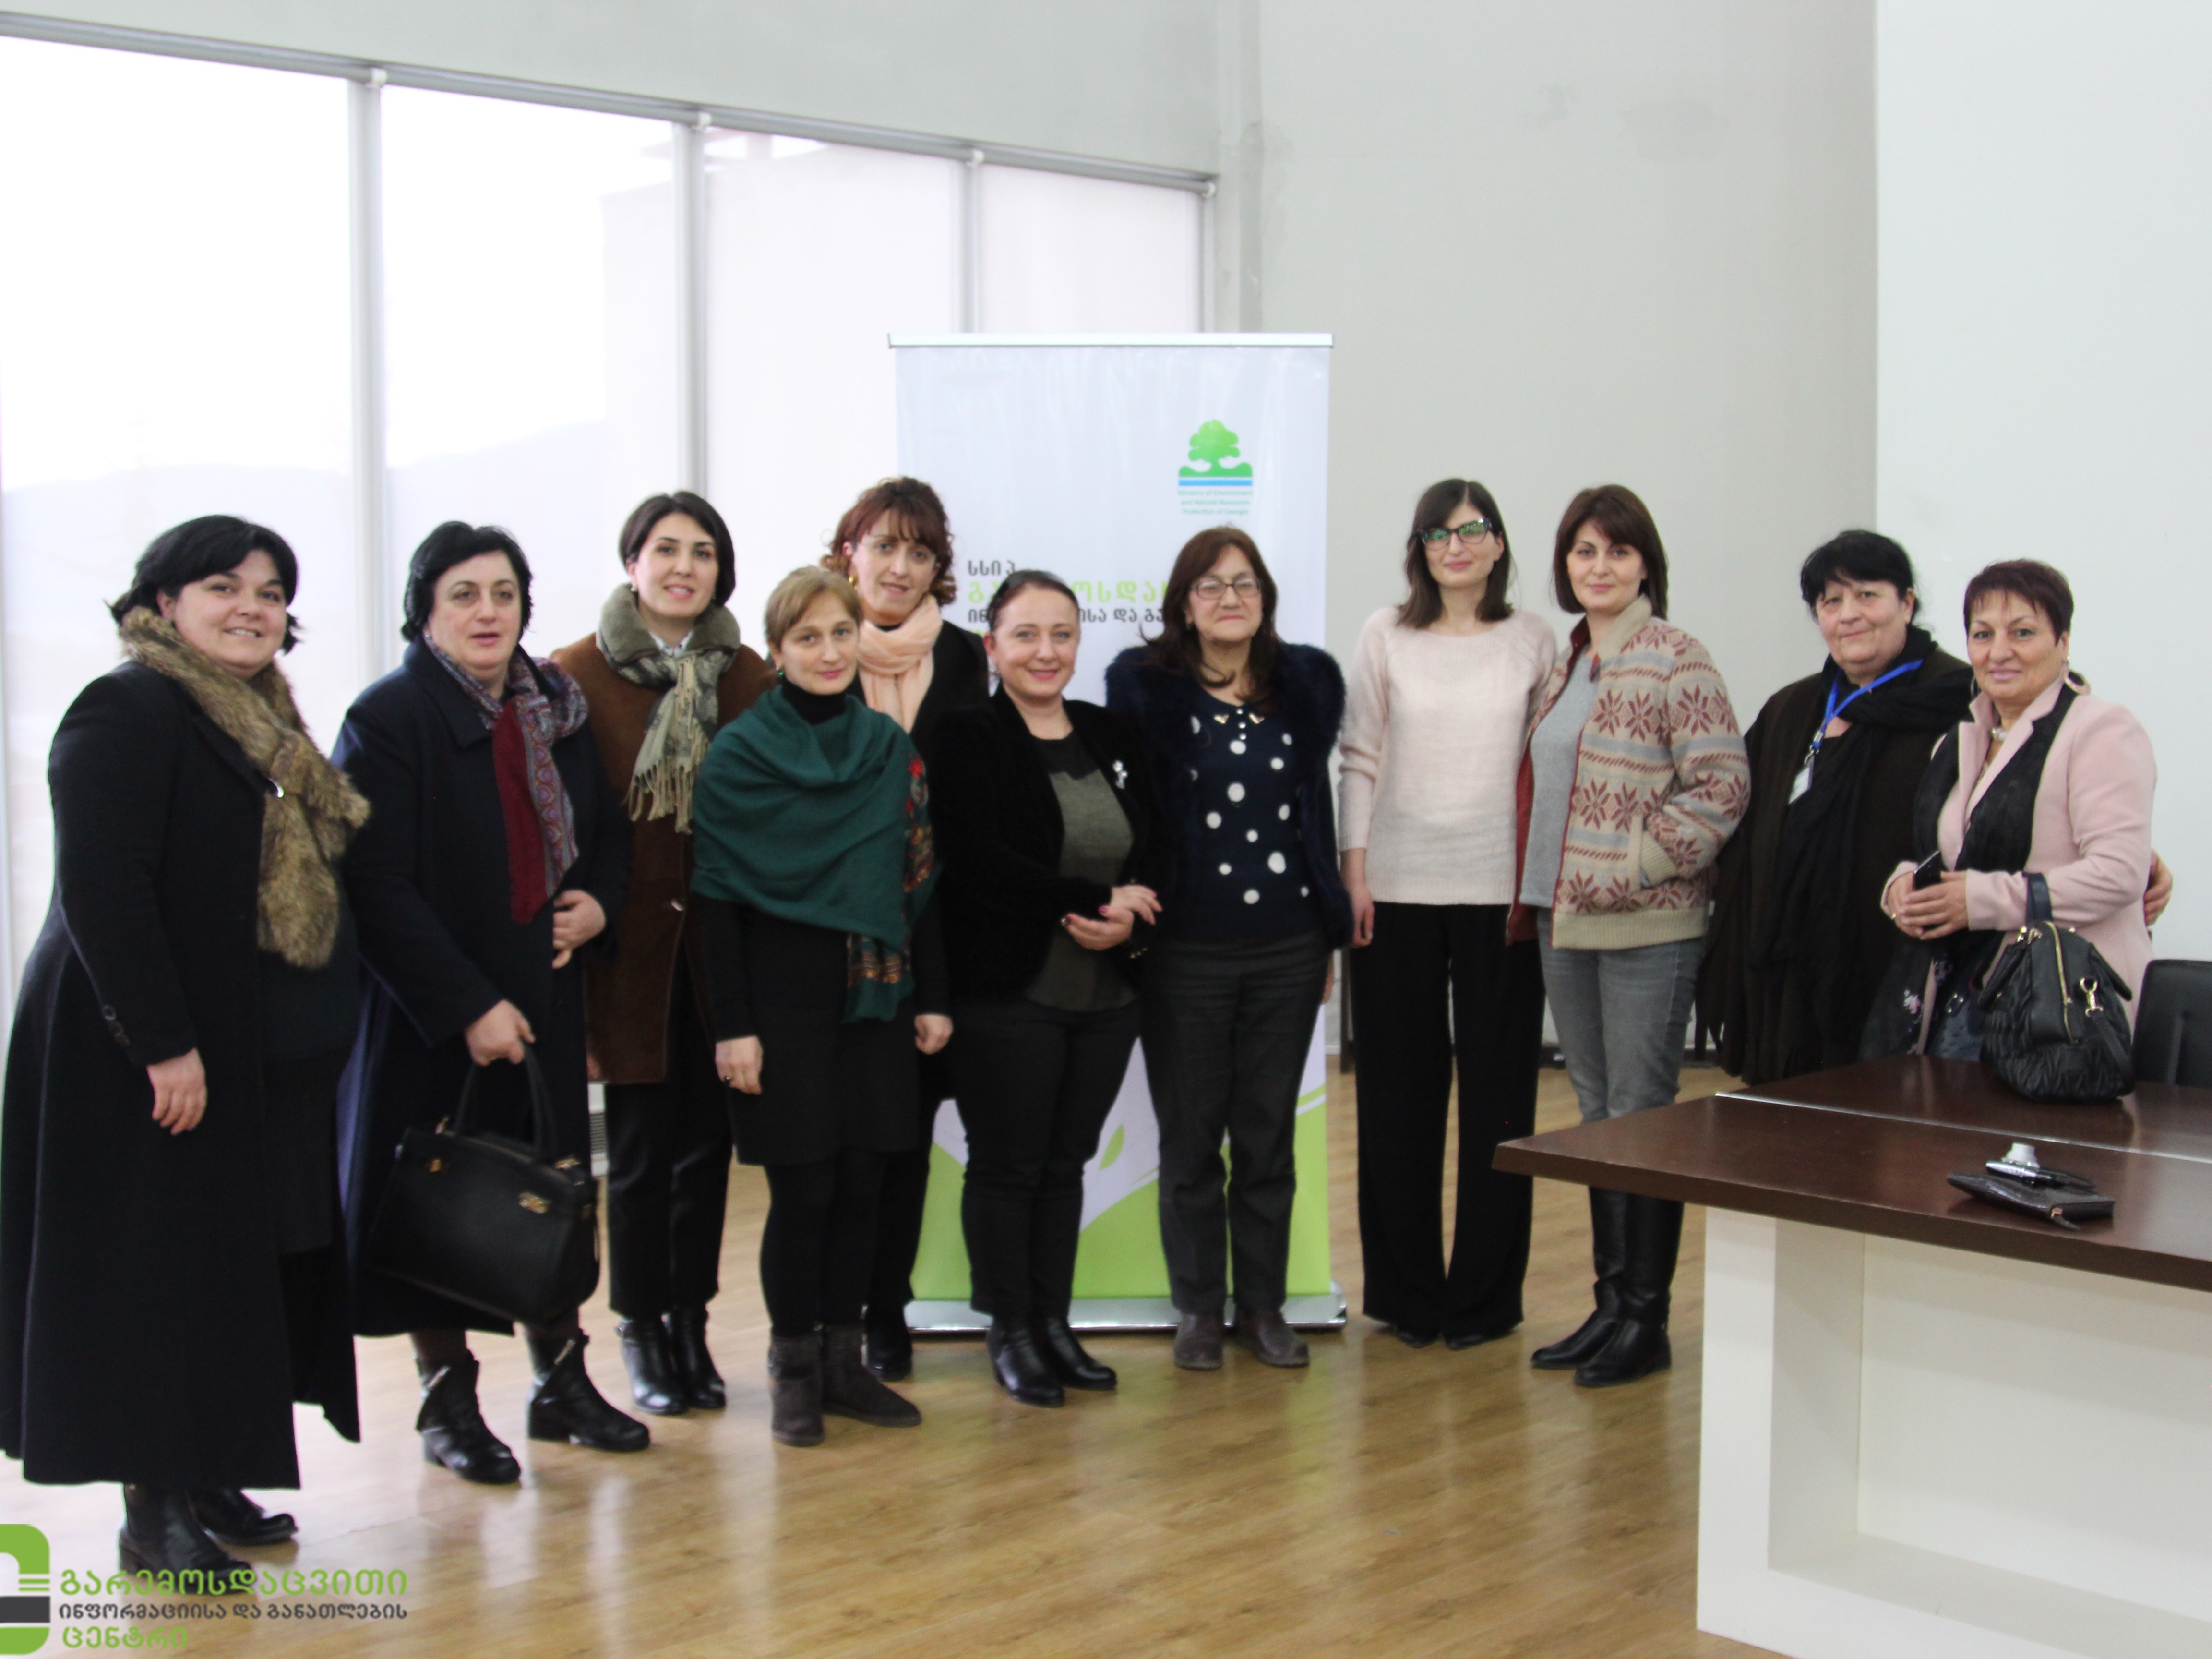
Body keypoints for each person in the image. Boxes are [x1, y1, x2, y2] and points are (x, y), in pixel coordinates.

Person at [0, 517, 362, 1582]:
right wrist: (163, 1046)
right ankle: (151, 1512)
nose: (252, 606)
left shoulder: (257, 719)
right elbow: (103, 890)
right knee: (152, 1278)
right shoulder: (127, 707)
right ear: (163, 603)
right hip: (135, 1045)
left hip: (236, 1045)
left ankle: (207, 1473)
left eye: (271, 591)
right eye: (223, 586)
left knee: (227, 1270)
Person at [336, 522, 642, 1485]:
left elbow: (606, 835)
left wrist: (599, 905)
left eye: (504, 593)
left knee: (547, 1198)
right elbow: (373, 883)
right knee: (438, 1206)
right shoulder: (389, 717)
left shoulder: (555, 706)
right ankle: (448, 1402)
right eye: (463, 594)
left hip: (543, 997)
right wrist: (468, 1004)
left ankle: (561, 1384)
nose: (487, 612)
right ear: (424, 611)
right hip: (431, 1016)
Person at [691, 566, 951, 1447]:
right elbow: (717, 902)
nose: (830, 652)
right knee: (803, 1193)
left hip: (877, 998)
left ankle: (846, 1365)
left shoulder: (888, 748)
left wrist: (932, 997)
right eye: (808, 637)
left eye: (842, 633)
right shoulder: (738, 755)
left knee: (863, 1188)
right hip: (781, 1006)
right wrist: (734, 1026)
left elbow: (920, 882)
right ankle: (793, 1371)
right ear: (776, 651)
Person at [1518, 486, 1748, 1389]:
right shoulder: (1567, 662)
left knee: (1642, 1116)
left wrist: (1638, 862)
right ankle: (1609, 1305)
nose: (1599, 566)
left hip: (1646, 924)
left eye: (1616, 550)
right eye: (1583, 551)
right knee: (1597, 1114)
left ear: (1645, 563)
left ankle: (1645, 1320)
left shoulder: (1675, 657)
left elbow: (1722, 784)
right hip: (1562, 918)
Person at [552, 492, 776, 1417]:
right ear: (632, 562)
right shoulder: (571, 675)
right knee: (641, 1153)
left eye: (703, 552)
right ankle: (640, 1325)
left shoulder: (748, 675)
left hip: (722, 946)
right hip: (624, 947)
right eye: (666, 549)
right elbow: (559, 817)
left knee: (708, 1150)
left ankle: (691, 1320)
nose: (684, 567)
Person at [1107, 527, 1349, 1372]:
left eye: (1244, 584)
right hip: (1185, 950)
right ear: (1183, 604)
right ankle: (1199, 1310)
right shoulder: (1147, 692)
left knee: (1265, 1138)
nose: (1229, 599)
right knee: (1189, 1139)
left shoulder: (1303, 687)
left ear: (1265, 598)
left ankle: (1263, 1307)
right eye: (1209, 586)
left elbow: (1314, 817)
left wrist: (1328, 932)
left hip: (1288, 946)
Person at [931, 571, 1171, 1407]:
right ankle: (1011, 1329)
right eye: (1025, 634)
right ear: (991, 646)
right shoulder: (964, 734)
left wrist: (1131, 919)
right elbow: (979, 863)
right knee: (1009, 1166)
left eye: (1061, 634)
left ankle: (1053, 1321)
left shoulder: (1109, 731)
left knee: (1066, 1164)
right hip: (1008, 995)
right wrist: (1094, 900)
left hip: (1106, 997)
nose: (1045, 651)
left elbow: (1154, 848)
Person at [1338, 481, 1555, 1350]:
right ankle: (1407, 1297)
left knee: (1500, 1101)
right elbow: (1359, 755)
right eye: (1437, 533)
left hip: (1501, 895)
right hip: (1394, 889)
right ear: (1419, 547)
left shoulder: (1532, 638)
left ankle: (1484, 1301)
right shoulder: (1384, 633)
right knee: (1396, 1098)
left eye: (1472, 531)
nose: (1454, 546)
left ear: (1498, 544)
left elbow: (1544, 767)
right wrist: (1354, 871)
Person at [821, 477, 989, 1382]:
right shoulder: (816, 643)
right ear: (849, 552)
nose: (899, 567)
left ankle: (887, 1311)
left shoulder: (962, 658)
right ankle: (826, 1319)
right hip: (832, 936)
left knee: (907, 1140)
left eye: (919, 553)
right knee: (835, 1150)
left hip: (930, 937)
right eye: (883, 545)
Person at [1869, 560, 2156, 1058]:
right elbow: (1948, 858)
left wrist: (1980, 900)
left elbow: (2118, 875)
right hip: (1964, 1002)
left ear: (2062, 642)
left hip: (2065, 1013)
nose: (1998, 652)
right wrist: (1903, 886)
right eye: (1982, 635)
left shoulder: (2100, 730)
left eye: (2022, 633)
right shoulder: (1958, 741)